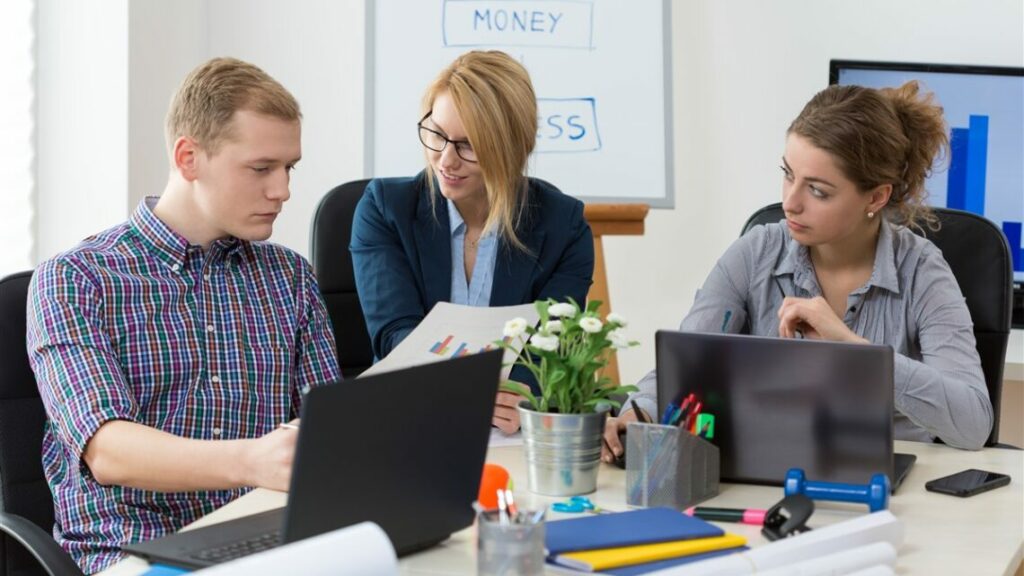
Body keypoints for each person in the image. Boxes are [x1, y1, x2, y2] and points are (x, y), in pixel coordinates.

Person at [26, 57, 341, 573]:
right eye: (261, 168)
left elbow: (328, 428)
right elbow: (108, 451)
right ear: (188, 158)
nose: (282, 190)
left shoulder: (289, 277)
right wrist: (252, 462)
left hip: (268, 539)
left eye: (289, 168)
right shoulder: (75, 279)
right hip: (135, 550)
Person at [603, 81, 993, 459]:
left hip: (890, 483)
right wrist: (639, 414)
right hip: (766, 472)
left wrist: (857, 352)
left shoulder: (922, 271)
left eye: (818, 191)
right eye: (788, 174)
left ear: (876, 197)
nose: (790, 202)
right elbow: (685, 361)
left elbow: (973, 423)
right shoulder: (755, 253)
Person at [350, 50, 594, 434]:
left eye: (468, 145)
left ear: (512, 148)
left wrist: (523, 396)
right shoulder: (384, 209)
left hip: (506, 432)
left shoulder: (565, 227)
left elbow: (552, 349)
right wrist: (467, 392)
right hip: (409, 419)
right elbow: (396, 335)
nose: (446, 160)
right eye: (437, 134)